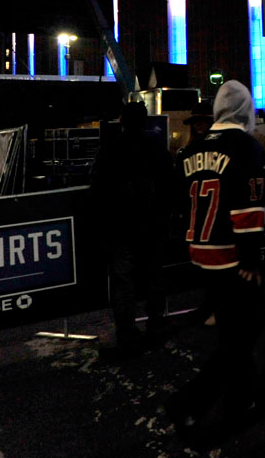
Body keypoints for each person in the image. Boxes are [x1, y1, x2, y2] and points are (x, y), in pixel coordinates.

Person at [165, 81, 265, 438]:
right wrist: (251, 260)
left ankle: (244, 398)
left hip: (201, 250)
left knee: (232, 329)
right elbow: (247, 211)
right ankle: (190, 401)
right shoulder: (247, 147)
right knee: (244, 332)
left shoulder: (189, 151)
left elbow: (179, 205)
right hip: (231, 254)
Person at [91, 101, 177, 360]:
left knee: (123, 282)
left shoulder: (109, 150)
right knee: (153, 276)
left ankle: (127, 333)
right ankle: (156, 324)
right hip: (151, 226)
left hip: (119, 229)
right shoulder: (157, 149)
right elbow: (169, 187)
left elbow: (98, 190)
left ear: (122, 121)